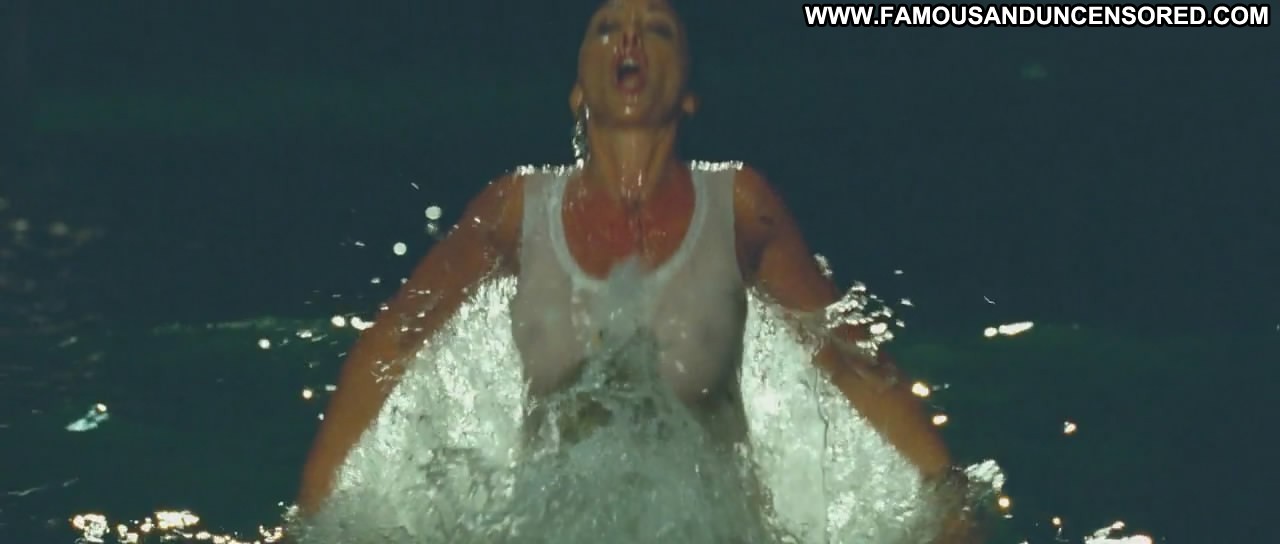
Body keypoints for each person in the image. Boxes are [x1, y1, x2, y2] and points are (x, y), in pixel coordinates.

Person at [296, 0, 979, 541]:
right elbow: (391, 343)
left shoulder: (741, 206)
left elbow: (849, 361)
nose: (628, 39)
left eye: (656, 29)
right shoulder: (514, 210)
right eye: (605, 28)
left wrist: (948, 496)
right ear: (576, 89)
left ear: (689, 93)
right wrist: (311, 518)